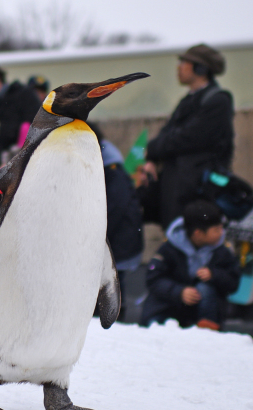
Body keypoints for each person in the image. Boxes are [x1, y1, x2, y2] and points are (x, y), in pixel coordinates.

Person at [137, 44, 234, 230]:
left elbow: (187, 137)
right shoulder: (189, 99)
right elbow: (168, 132)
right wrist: (151, 158)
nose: (179, 68)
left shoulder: (218, 101)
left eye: (184, 63)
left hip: (198, 192)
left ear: (201, 68)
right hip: (178, 188)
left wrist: (154, 149)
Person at [140, 199, 241, 331]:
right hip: (167, 309)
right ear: (198, 233)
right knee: (156, 327)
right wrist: (179, 292)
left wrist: (214, 275)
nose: (221, 233)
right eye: (216, 229)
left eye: (222, 228)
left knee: (204, 289)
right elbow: (154, 279)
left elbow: (233, 282)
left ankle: (208, 330)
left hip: (201, 313)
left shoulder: (222, 252)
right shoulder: (169, 249)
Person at [90, 122, 143, 318]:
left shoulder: (111, 170)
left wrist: (95, 235)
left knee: (112, 285)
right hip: (113, 239)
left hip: (117, 241)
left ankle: (113, 320)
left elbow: (114, 208)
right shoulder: (104, 164)